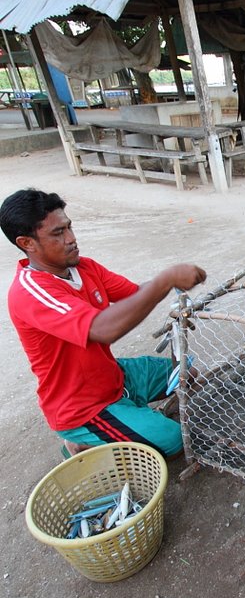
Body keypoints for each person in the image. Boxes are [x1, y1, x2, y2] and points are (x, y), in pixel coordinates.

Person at [0, 188, 206, 459]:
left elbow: (135, 294)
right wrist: (166, 280)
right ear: (27, 243)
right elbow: (103, 329)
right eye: (58, 233)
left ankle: (127, 416)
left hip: (112, 376)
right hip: (83, 406)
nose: (71, 239)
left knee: (187, 372)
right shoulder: (31, 293)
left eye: (69, 227)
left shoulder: (83, 267)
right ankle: (81, 441)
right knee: (174, 440)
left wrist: (169, 284)